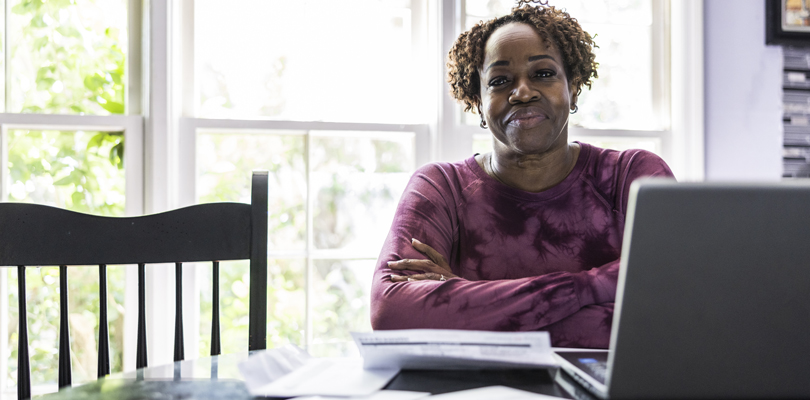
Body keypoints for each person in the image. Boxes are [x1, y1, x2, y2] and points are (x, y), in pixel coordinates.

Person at [370, 0, 674, 348]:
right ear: (478, 101)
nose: (523, 92)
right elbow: (393, 313)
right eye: (500, 80)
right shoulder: (440, 189)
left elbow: (675, 309)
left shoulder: (633, 178)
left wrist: (465, 301)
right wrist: (601, 285)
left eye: (543, 74)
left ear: (573, 86)